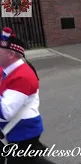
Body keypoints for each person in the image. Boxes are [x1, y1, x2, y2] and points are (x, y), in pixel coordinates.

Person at [0, 34, 54, 163]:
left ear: (11, 54)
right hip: (16, 130)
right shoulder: (8, 70)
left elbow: (5, 112)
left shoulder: (22, 76)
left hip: (21, 132)